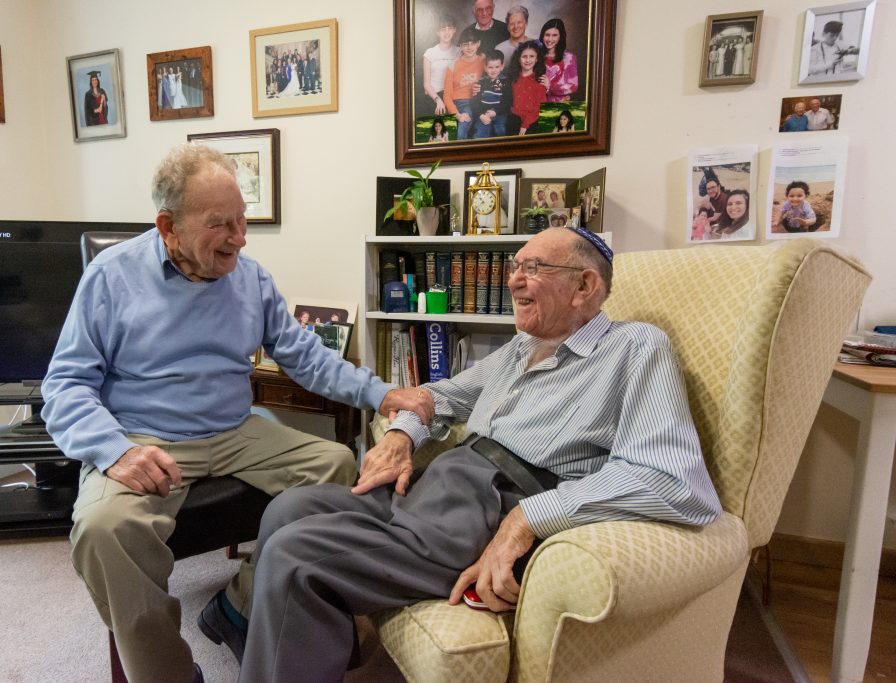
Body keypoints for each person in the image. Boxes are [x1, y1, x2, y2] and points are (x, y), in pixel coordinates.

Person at [209, 227, 722, 682]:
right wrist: (401, 436)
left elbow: (672, 479)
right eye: (514, 267)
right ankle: (272, 640)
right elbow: (439, 397)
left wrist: (529, 518)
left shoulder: (634, 348)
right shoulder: (521, 348)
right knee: (290, 508)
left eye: (533, 267)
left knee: (296, 556)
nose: (514, 280)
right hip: (440, 486)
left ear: (584, 286)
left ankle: (266, 638)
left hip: (491, 502)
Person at [41, 143, 432, 683]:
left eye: (242, 220)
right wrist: (115, 452)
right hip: (143, 436)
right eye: (219, 224)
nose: (240, 237)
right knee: (103, 528)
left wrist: (382, 394)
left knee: (339, 466)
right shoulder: (111, 277)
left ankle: (238, 605)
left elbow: (306, 357)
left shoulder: (252, 278)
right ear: (168, 227)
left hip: (235, 431)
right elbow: (64, 386)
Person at [443, 27, 485, 140]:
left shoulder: (484, 62)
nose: (469, 47)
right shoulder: (452, 66)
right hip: (461, 104)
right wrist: (457, 114)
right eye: (466, 44)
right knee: (460, 134)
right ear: (460, 46)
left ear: (478, 44)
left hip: (480, 102)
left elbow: (494, 79)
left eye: (473, 43)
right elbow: (447, 96)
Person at [420, 15, 460, 118]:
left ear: (454, 30)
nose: (447, 32)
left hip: (451, 96)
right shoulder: (429, 53)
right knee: (431, 127)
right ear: (437, 32)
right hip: (433, 96)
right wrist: (438, 100)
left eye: (449, 28)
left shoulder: (459, 52)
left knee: (450, 127)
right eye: (443, 29)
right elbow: (426, 84)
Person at [506, 41, 546, 136]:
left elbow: (539, 106)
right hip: (514, 119)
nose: (528, 60)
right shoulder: (513, 79)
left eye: (531, 56)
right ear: (519, 59)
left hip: (532, 121)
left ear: (536, 59)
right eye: (524, 56)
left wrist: (525, 124)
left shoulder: (540, 80)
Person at [470, 50, 510, 138]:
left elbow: (508, 102)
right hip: (484, 113)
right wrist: (481, 115)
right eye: (490, 67)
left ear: (502, 67)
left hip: (499, 113)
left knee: (500, 130)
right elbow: (474, 102)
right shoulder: (481, 82)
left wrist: (495, 112)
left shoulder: (506, 82)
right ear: (485, 67)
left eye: (497, 67)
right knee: (480, 133)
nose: (493, 70)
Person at [538, 17, 578, 102]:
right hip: (537, 103)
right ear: (542, 35)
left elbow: (573, 86)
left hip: (559, 105)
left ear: (560, 37)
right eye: (547, 35)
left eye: (554, 35)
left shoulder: (569, 57)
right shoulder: (536, 55)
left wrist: (551, 86)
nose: (550, 39)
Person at [494, 6, 531, 70]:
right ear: (507, 26)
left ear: (526, 24)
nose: (515, 27)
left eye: (519, 22)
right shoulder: (499, 49)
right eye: (512, 24)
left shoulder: (536, 44)